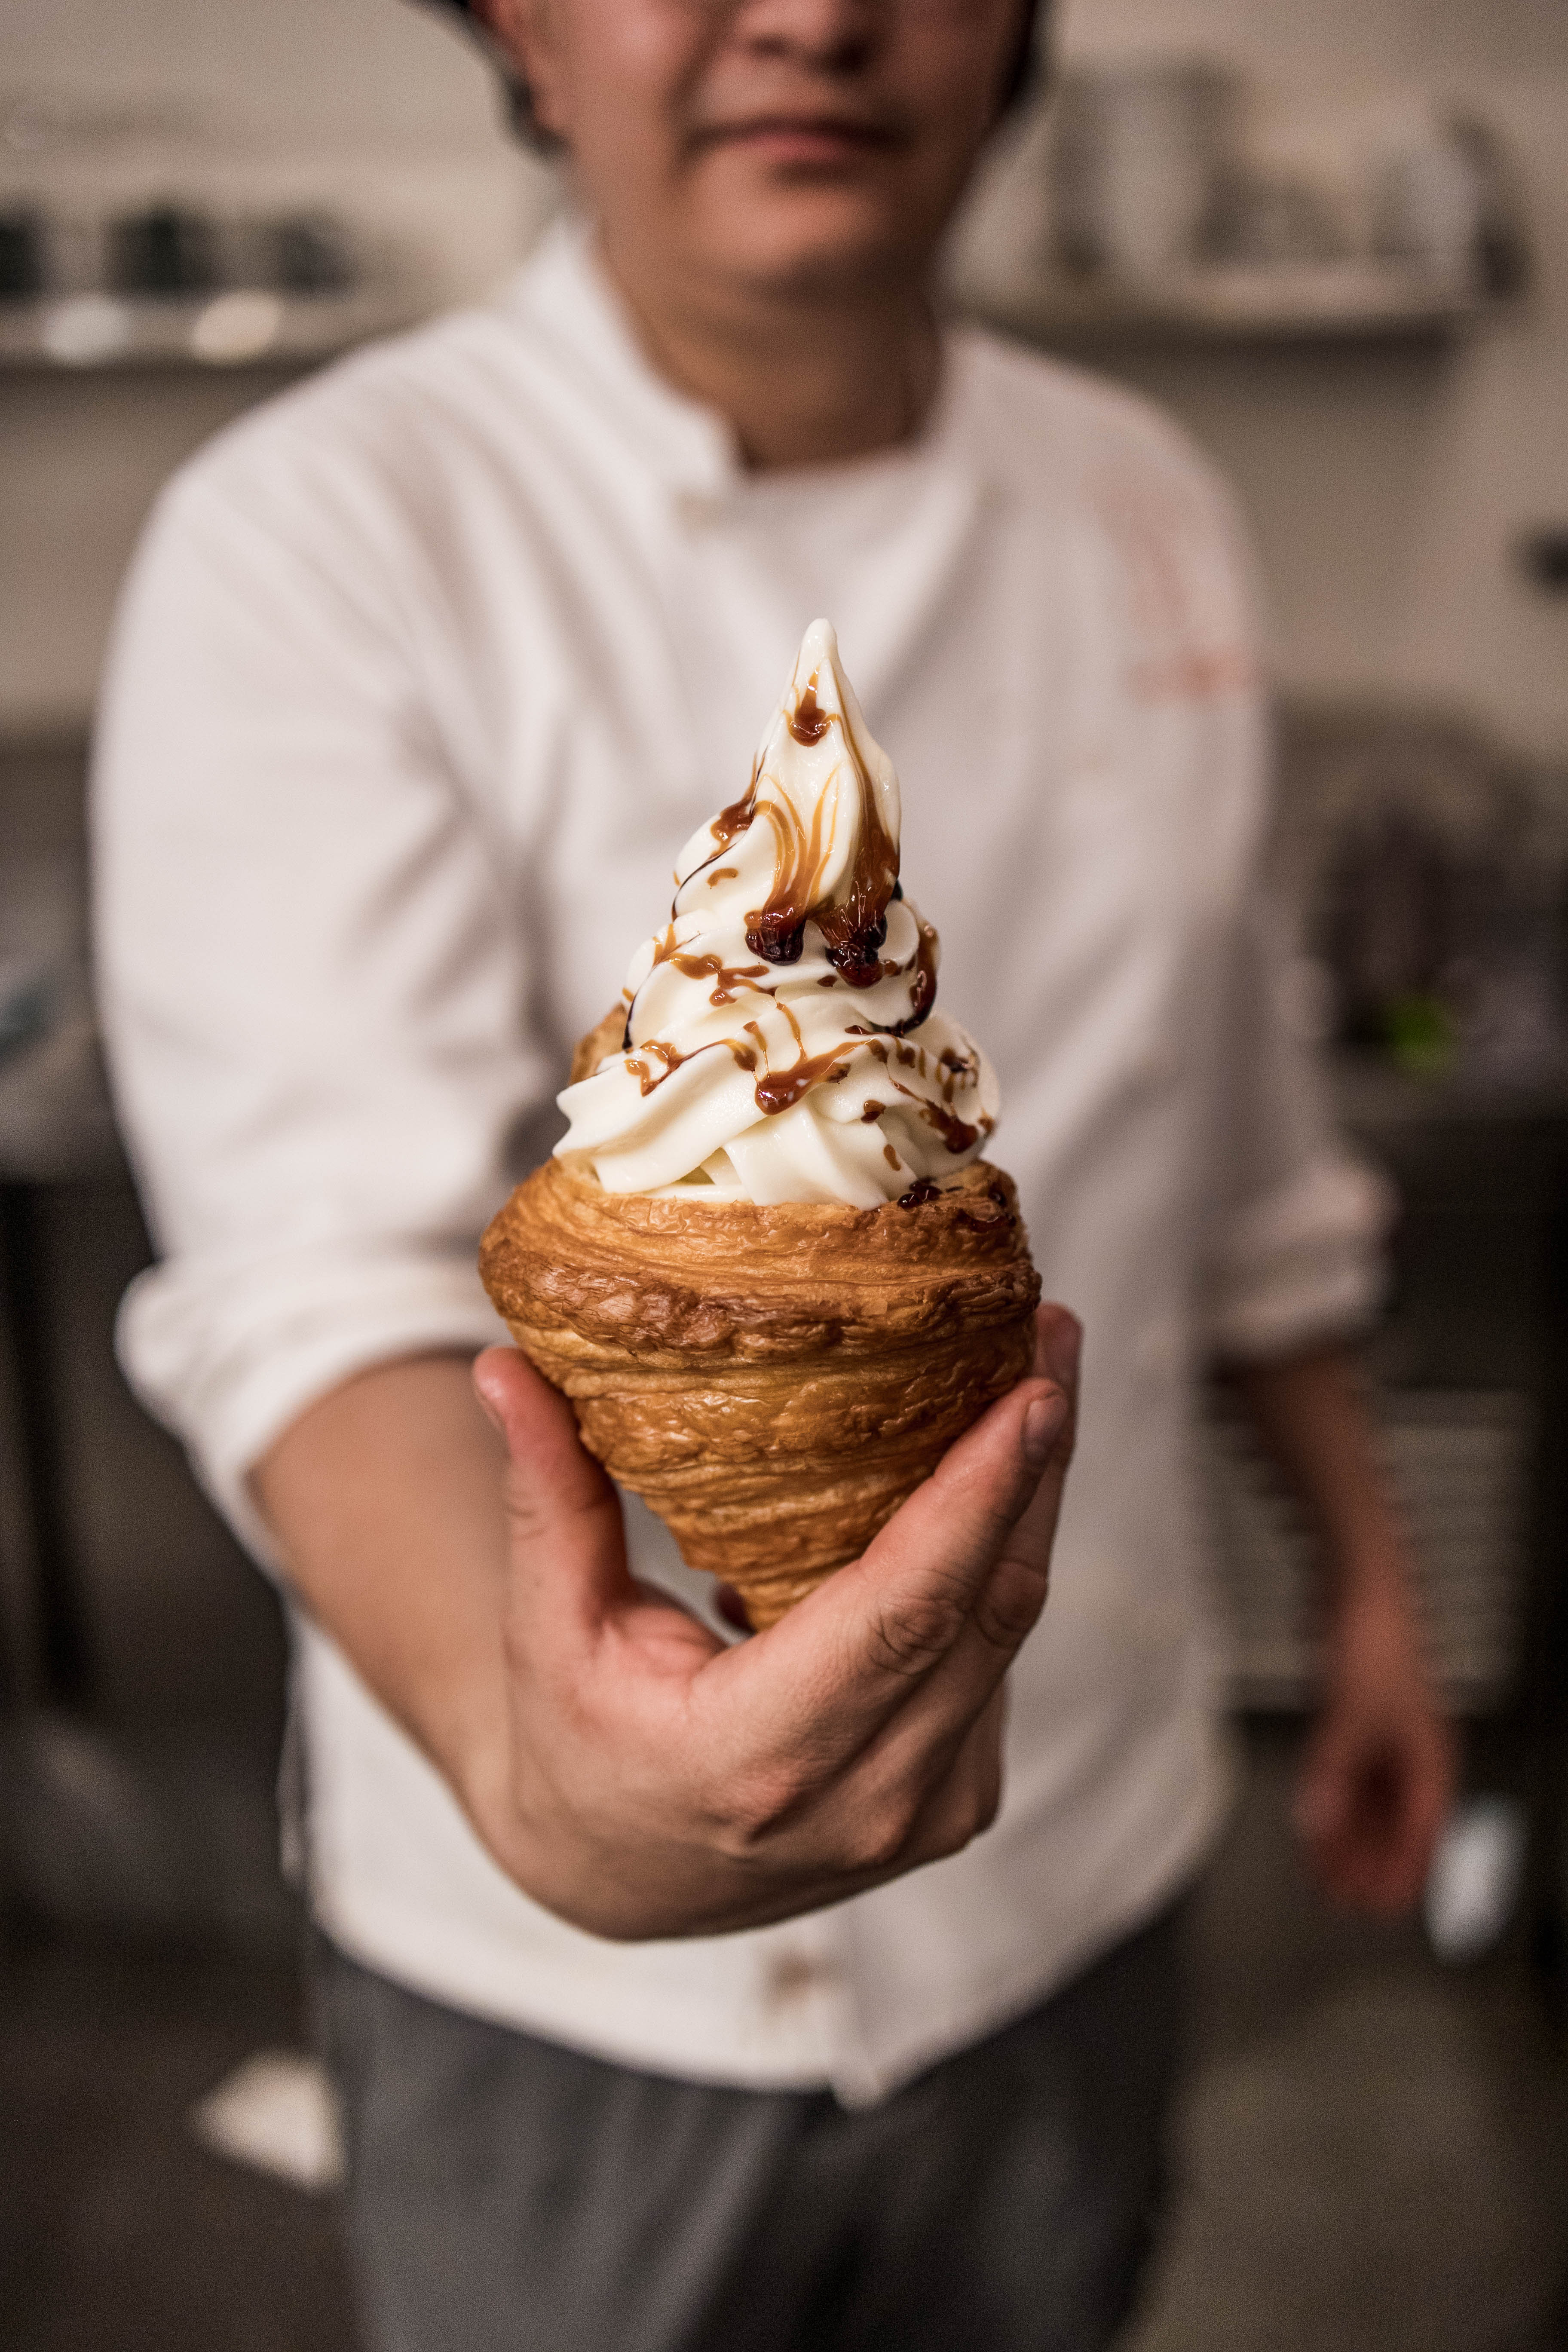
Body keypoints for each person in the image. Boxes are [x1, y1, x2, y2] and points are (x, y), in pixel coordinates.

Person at [92, 3, 1455, 2347]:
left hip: (1077, 1856)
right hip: (557, 1981)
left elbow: (1235, 1148)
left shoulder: (1143, 495)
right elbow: (319, 1277)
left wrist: (1369, 1585)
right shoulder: (323, 523)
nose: (812, 16)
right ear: (524, 30)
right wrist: (547, 1766)